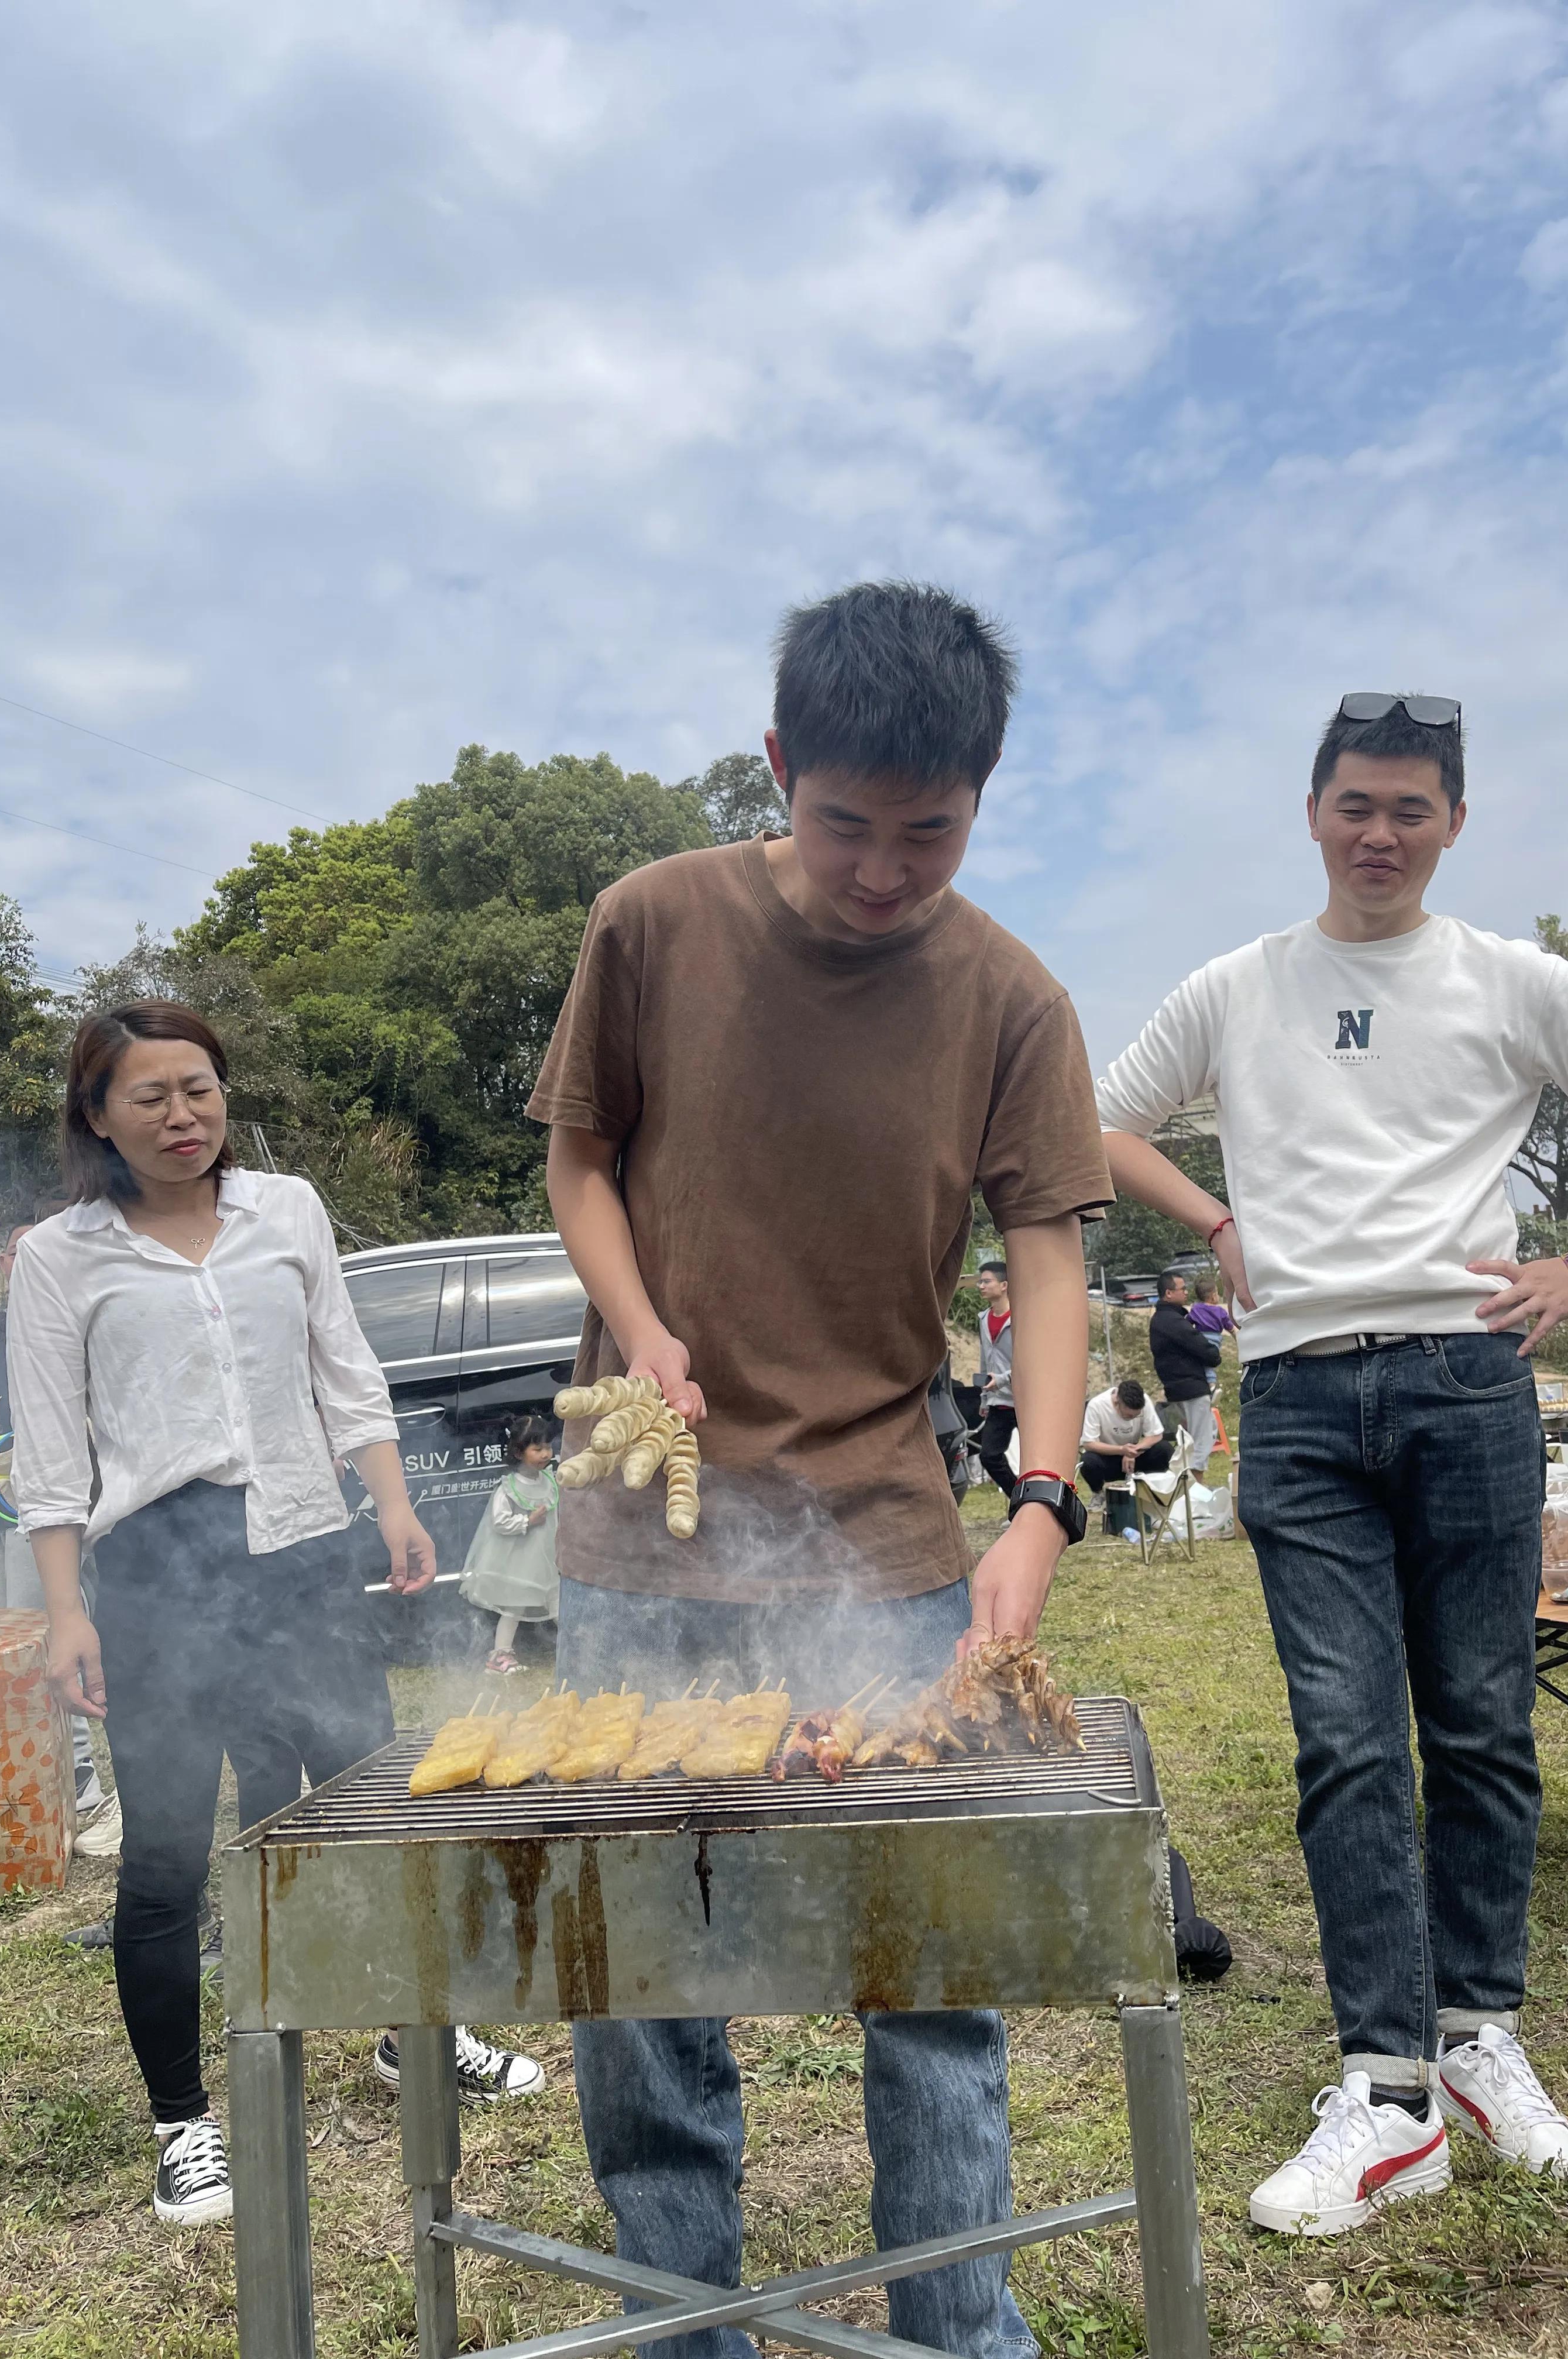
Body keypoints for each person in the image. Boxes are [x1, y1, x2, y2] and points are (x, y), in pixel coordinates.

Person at [529, 580, 1108, 2359]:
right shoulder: (653, 923)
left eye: (925, 834)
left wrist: (1042, 1497)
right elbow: (581, 1161)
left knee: (927, 1967)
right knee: (643, 1968)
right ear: (781, 767)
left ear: (981, 798)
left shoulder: (1010, 995)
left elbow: (1054, 1260)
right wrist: (640, 1329)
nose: (880, 870)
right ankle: (685, 2328)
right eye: (845, 822)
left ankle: (958, 2329)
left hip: (881, 1530)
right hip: (646, 1526)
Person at [1096, 692, 1568, 2236]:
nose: (1379, 834)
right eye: (1355, 805)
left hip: (1470, 1385)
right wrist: (1213, 1221)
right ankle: (1385, 2087)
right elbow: (1093, 1117)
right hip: (1305, 1397)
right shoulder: (1239, 988)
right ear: (1310, 812)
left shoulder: (1505, 979)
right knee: (1346, 1742)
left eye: (1410, 810)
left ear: (1455, 823)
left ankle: (1478, 2039)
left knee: (1483, 1726)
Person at [8, 1000, 542, 2231]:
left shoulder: (287, 1210)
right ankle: (182, 2125)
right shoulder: (60, 1257)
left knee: (366, 1814)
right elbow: (49, 1449)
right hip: (155, 1570)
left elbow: (345, 1369)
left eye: (199, 1087)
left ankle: (421, 2036)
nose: (184, 1115)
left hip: (303, 1550)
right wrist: (67, 1610)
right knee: (165, 1859)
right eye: (151, 1096)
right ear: (98, 1116)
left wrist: (394, 1504)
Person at [0, 1199, 108, 1828]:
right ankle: (70, 1783)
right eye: (12, 1251)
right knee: (32, 1639)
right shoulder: (10, 1326)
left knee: (53, 1634)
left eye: (30, 1249)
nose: (19, 1261)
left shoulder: (76, 1309)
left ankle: (85, 1790)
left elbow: (62, 1402)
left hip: (80, 1508)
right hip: (19, 1507)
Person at [460, 1414, 559, 1673]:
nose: (545, 1454)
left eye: (548, 1447)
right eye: (537, 1449)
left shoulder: (551, 1480)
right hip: (521, 1561)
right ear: (518, 1452)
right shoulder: (509, 1488)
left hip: (549, 1557)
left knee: (560, 1602)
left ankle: (580, 1649)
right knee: (514, 1608)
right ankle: (499, 1656)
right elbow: (500, 1522)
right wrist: (527, 1521)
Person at [1147, 1270, 1219, 1473]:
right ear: (1169, 1293)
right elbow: (1199, 1345)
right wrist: (1214, 1355)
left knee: (1204, 1432)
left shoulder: (1162, 1320)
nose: (1187, 1292)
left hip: (1178, 1388)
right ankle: (1195, 1486)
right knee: (1199, 1441)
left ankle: (1189, 1484)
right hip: (1191, 1388)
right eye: (1183, 1289)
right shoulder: (1172, 1321)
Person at [1079, 1378, 1170, 1538]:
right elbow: (1089, 1443)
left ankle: (1152, 1491)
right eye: (1128, 1416)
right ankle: (1098, 1494)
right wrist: (1122, 1450)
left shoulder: (1145, 1401)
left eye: (1136, 1416)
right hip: (1109, 1456)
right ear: (1117, 1402)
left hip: (1135, 1455)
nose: (1132, 1418)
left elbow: (1156, 1435)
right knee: (1088, 1461)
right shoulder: (1097, 1405)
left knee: (1164, 1450)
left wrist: (1135, 1450)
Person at [974, 1258, 1017, 1498]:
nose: (981, 1286)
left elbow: (1029, 1362)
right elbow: (985, 1360)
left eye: (987, 1281)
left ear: (1004, 1285)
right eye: (981, 1281)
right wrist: (984, 1397)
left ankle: (1040, 1506)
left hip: (1024, 1400)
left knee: (1036, 1459)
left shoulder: (1020, 1317)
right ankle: (1019, 1500)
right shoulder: (983, 1319)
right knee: (989, 1456)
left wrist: (1002, 1379)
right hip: (997, 1400)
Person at [1188, 1272, 1235, 1342]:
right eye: (1217, 1293)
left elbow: (1188, 1322)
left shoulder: (1196, 1309)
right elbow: (1230, 1327)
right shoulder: (1220, 1311)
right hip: (1215, 1342)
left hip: (1200, 1340)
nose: (1219, 1295)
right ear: (1213, 1297)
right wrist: (1235, 1336)